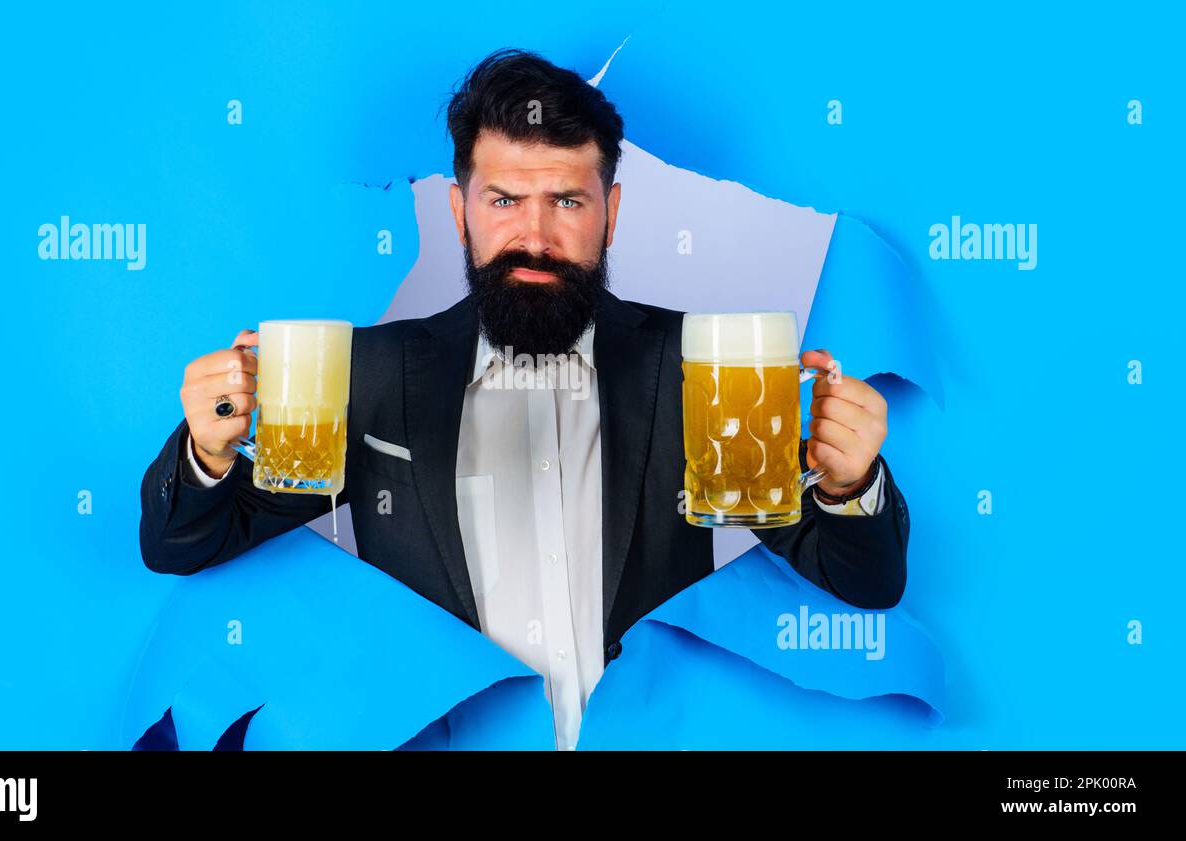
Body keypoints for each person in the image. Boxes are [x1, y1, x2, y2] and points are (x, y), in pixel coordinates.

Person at [139, 48, 909, 751]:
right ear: (458, 214)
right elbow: (183, 543)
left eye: (568, 202)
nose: (534, 235)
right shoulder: (361, 371)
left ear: (612, 215)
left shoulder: (706, 368)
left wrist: (849, 485)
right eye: (503, 199)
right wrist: (207, 450)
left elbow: (863, 581)